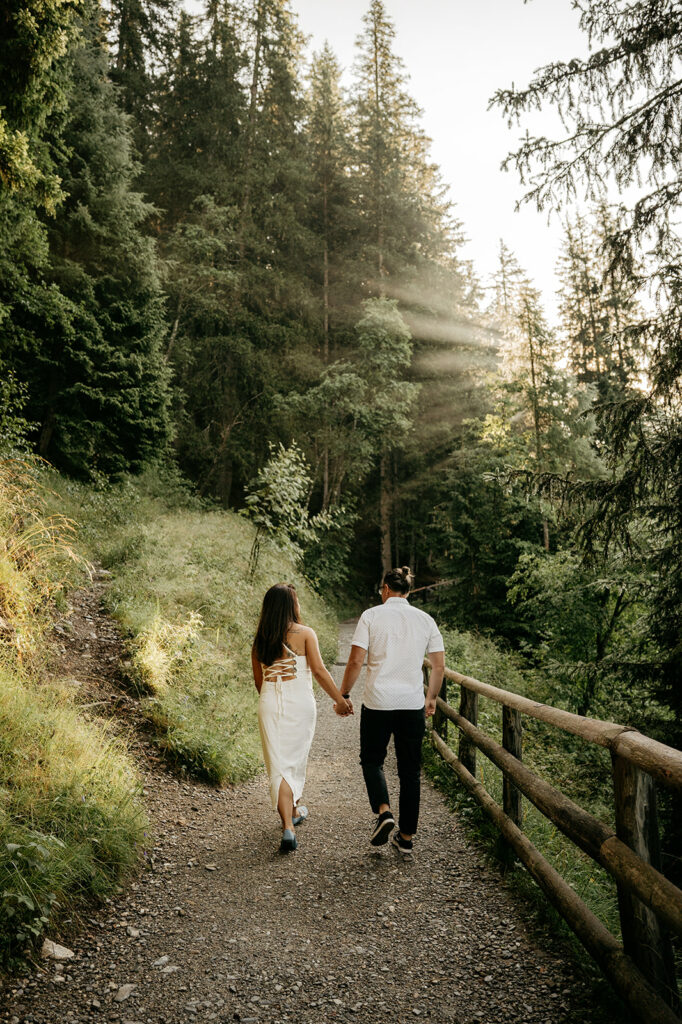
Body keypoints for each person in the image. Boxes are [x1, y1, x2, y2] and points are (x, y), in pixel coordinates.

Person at [338, 566, 445, 857]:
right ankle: (406, 838)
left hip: (378, 702)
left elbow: (356, 661)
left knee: (372, 760)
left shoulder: (371, 616)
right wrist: (431, 698)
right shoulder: (425, 620)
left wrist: (343, 694)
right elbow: (438, 666)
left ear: (385, 589)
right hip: (411, 704)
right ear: (408, 592)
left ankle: (384, 811)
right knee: (411, 771)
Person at [252, 582, 352, 852]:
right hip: (300, 701)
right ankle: (289, 822)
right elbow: (319, 671)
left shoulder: (260, 637)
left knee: (278, 764)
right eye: (296, 600)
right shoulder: (306, 633)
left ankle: (290, 820)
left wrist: (273, 699)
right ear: (290, 605)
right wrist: (340, 701)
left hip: (269, 700)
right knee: (293, 763)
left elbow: (259, 681)